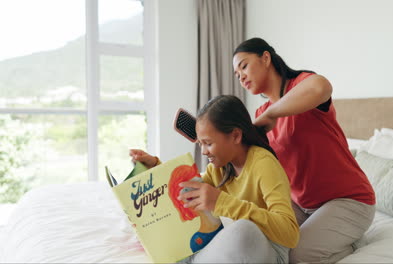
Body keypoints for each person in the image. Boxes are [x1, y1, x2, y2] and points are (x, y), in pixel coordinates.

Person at [232, 37, 376, 263]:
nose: (240, 76)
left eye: (243, 66)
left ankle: (353, 243)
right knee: (266, 242)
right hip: (302, 205)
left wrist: (271, 115)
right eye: (236, 74)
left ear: (266, 58)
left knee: (296, 255)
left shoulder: (301, 85)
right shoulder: (261, 113)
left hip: (349, 200)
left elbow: (322, 86)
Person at [129, 95, 299, 263]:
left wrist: (221, 202)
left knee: (244, 230)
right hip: (232, 249)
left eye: (208, 143)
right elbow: (188, 189)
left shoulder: (264, 164)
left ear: (235, 136)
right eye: (200, 144)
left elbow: (290, 234)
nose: (203, 151)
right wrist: (155, 166)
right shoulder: (219, 168)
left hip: (268, 248)